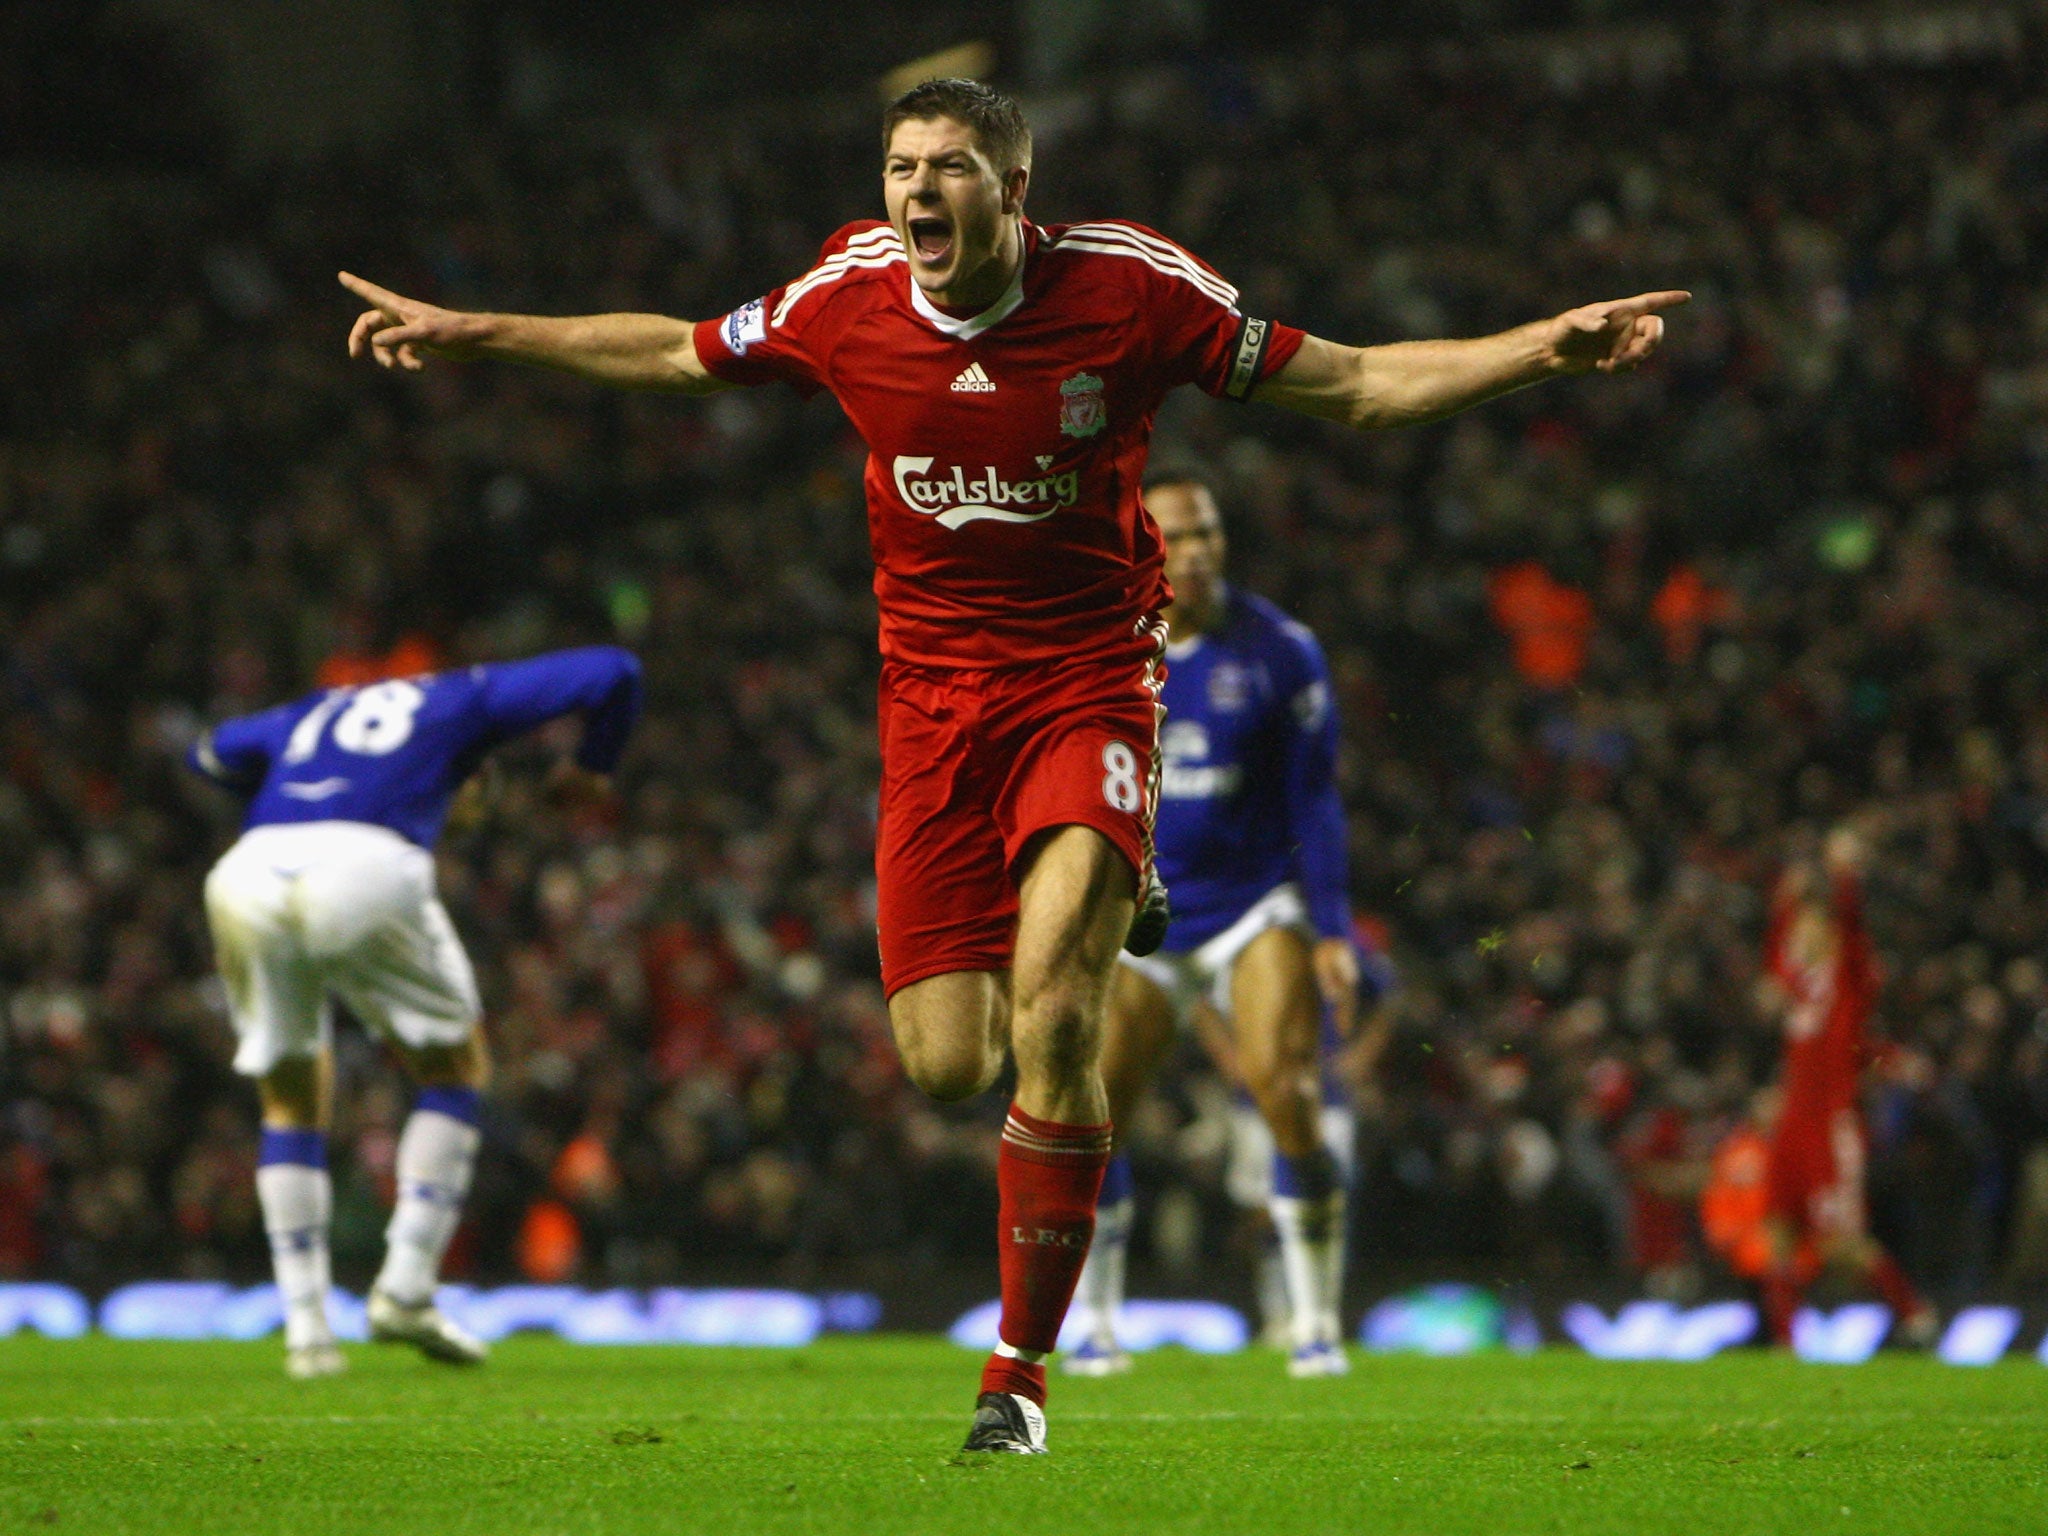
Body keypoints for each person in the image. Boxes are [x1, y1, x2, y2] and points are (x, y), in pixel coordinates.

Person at [338, 76, 1685, 1452]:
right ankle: (1098, 923)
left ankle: (1019, 1379)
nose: (920, 190)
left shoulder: (1132, 289)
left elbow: (1351, 386)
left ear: (1014, 190)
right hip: (929, 717)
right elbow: (674, 353)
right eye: (902, 166)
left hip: (1089, 681)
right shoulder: (842, 296)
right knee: (946, 1063)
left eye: (952, 167)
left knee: (1056, 1012)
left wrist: (1540, 349)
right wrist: (476, 333)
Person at [189, 646, 643, 1378]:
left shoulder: (309, 712)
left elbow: (207, 755)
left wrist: (297, 794)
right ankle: (405, 1285)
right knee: (456, 1065)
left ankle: (308, 1334)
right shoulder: (463, 700)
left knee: (291, 1097)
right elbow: (615, 670)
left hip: (249, 868)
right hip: (364, 864)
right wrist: (591, 768)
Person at [1064, 471, 1363, 1378]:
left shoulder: (1279, 650)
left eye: (1209, 535)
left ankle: (1314, 1319)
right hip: (1139, 912)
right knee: (1094, 1114)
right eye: (1178, 537)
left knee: (1288, 1092)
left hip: (1251, 905)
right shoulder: (1095, 647)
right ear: (1139, 544)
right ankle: (1094, 1323)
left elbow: (1315, 801)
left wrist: (1333, 927)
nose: (1196, 554)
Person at [1755, 823, 1936, 1348]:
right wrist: (1784, 903)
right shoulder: (1800, 984)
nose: (1800, 939)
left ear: (1829, 933)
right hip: (1793, 1117)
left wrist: (1842, 873)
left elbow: (1853, 925)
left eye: (1811, 930)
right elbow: (1776, 958)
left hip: (1832, 1122)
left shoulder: (1851, 980)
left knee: (1843, 1242)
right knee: (1777, 1233)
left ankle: (1913, 1311)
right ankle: (1787, 1345)